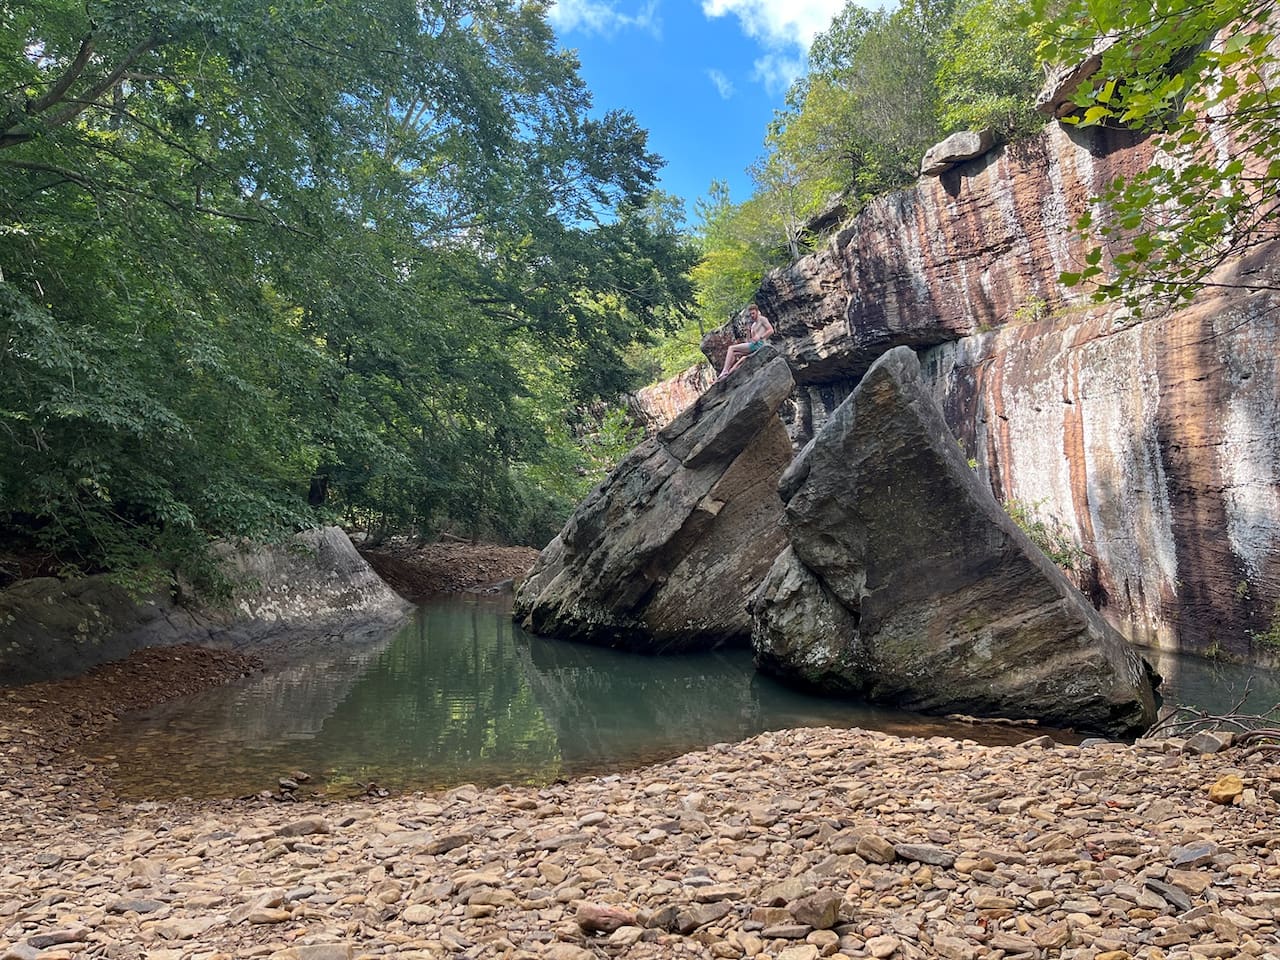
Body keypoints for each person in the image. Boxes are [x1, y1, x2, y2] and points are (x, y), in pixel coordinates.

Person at [718, 304, 775, 378]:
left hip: (760, 344)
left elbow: (771, 330)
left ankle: (724, 371)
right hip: (754, 346)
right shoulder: (753, 325)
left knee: (731, 348)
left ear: (757, 312)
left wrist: (761, 337)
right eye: (750, 314)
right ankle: (727, 373)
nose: (752, 315)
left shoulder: (762, 319)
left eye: (753, 313)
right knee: (735, 354)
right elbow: (749, 341)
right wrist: (748, 331)